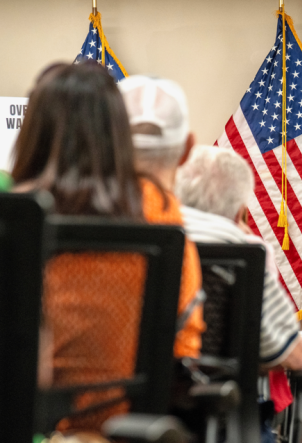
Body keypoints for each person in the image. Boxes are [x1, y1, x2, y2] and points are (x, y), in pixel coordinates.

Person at [11, 62, 195, 432]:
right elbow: (184, 345)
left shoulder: (12, 218)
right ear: (118, 133)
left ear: (32, 131)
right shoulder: (160, 215)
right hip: (125, 431)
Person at [174, 144, 302, 370]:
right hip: (217, 398)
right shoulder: (244, 252)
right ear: (239, 213)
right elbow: (296, 357)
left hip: (132, 402)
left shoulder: (144, 240)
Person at [118, 74, 205, 360]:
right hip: (151, 403)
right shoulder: (174, 229)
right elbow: (184, 353)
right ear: (187, 149)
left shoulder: (53, 219)